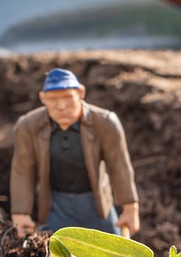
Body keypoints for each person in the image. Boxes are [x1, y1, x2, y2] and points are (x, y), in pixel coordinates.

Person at [10, 68, 139, 236]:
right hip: (56, 205)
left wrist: (130, 207)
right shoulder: (27, 127)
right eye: (53, 99)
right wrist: (21, 213)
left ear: (80, 93)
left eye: (67, 97)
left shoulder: (105, 123)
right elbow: (23, 170)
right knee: (53, 255)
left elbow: (119, 164)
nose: (61, 106)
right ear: (43, 98)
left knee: (113, 254)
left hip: (96, 203)